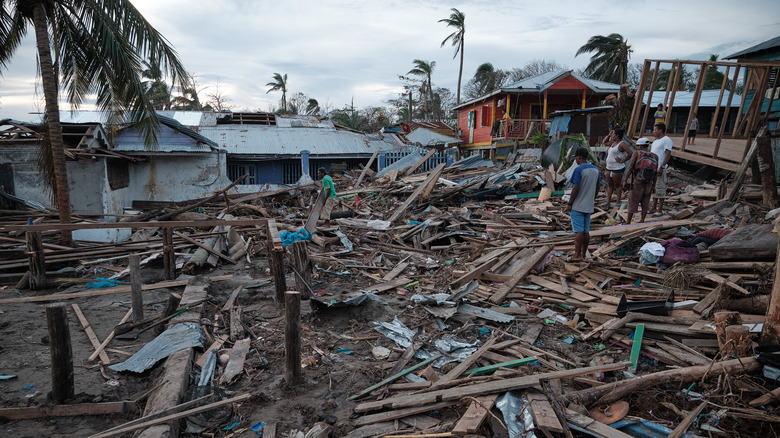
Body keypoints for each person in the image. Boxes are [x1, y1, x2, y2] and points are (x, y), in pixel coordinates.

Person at [566, 148, 600, 261]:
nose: (576, 160)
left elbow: (575, 188)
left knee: (579, 231)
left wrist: (570, 203)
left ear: (579, 157)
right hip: (589, 204)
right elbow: (598, 186)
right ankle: (584, 255)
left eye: (576, 157)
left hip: (578, 204)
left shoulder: (579, 169)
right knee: (586, 231)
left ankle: (576, 255)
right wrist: (592, 199)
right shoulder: (595, 169)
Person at [622, 138, 658, 224]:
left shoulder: (637, 153)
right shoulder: (655, 156)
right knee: (646, 201)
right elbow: (655, 172)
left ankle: (628, 222)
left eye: (638, 146)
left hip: (637, 182)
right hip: (649, 182)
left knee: (633, 201)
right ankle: (642, 220)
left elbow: (630, 168)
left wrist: (625, 180)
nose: (637, 147)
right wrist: (654, 185)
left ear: (640, 146)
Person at [603, 127, 632, 208]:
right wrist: (608, 136)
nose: (612, 135)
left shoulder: (622, 144)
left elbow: (630, 153)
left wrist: (623, 160)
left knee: (617, 185)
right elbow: (604, 142)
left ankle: (618, 201)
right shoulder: (613, 143)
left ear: (617, 135)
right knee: (610, 185)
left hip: (617, 167)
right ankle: (608, 201)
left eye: (613, 134)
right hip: (609, 167)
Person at [649, 123, 674, 215]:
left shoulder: (666, 140)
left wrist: (662, 166)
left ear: (660, 130)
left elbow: (668, 154)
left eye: (655, 130)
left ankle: (660, 209)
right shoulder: (655, 141)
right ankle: (654, 207)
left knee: (661, 188)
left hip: (660, 168)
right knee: (655, 188)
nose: (653, 132)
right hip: (653, 168)